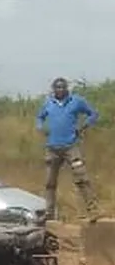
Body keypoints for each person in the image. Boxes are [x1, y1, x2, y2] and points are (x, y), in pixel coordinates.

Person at [37, 77, 101, 221]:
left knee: (81, 178)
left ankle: (93, 210)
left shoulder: (76, 101)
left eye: (62, 87)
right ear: (53, 89)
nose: (60, 90)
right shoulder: (48, 102)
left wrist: (83, 126)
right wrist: (41, 127)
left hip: (71, 146)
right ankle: (49, 213)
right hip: (52, 148)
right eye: (57, 87)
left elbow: (93, 113)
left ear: (67, 88)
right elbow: (39, 118)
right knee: (49, 183)